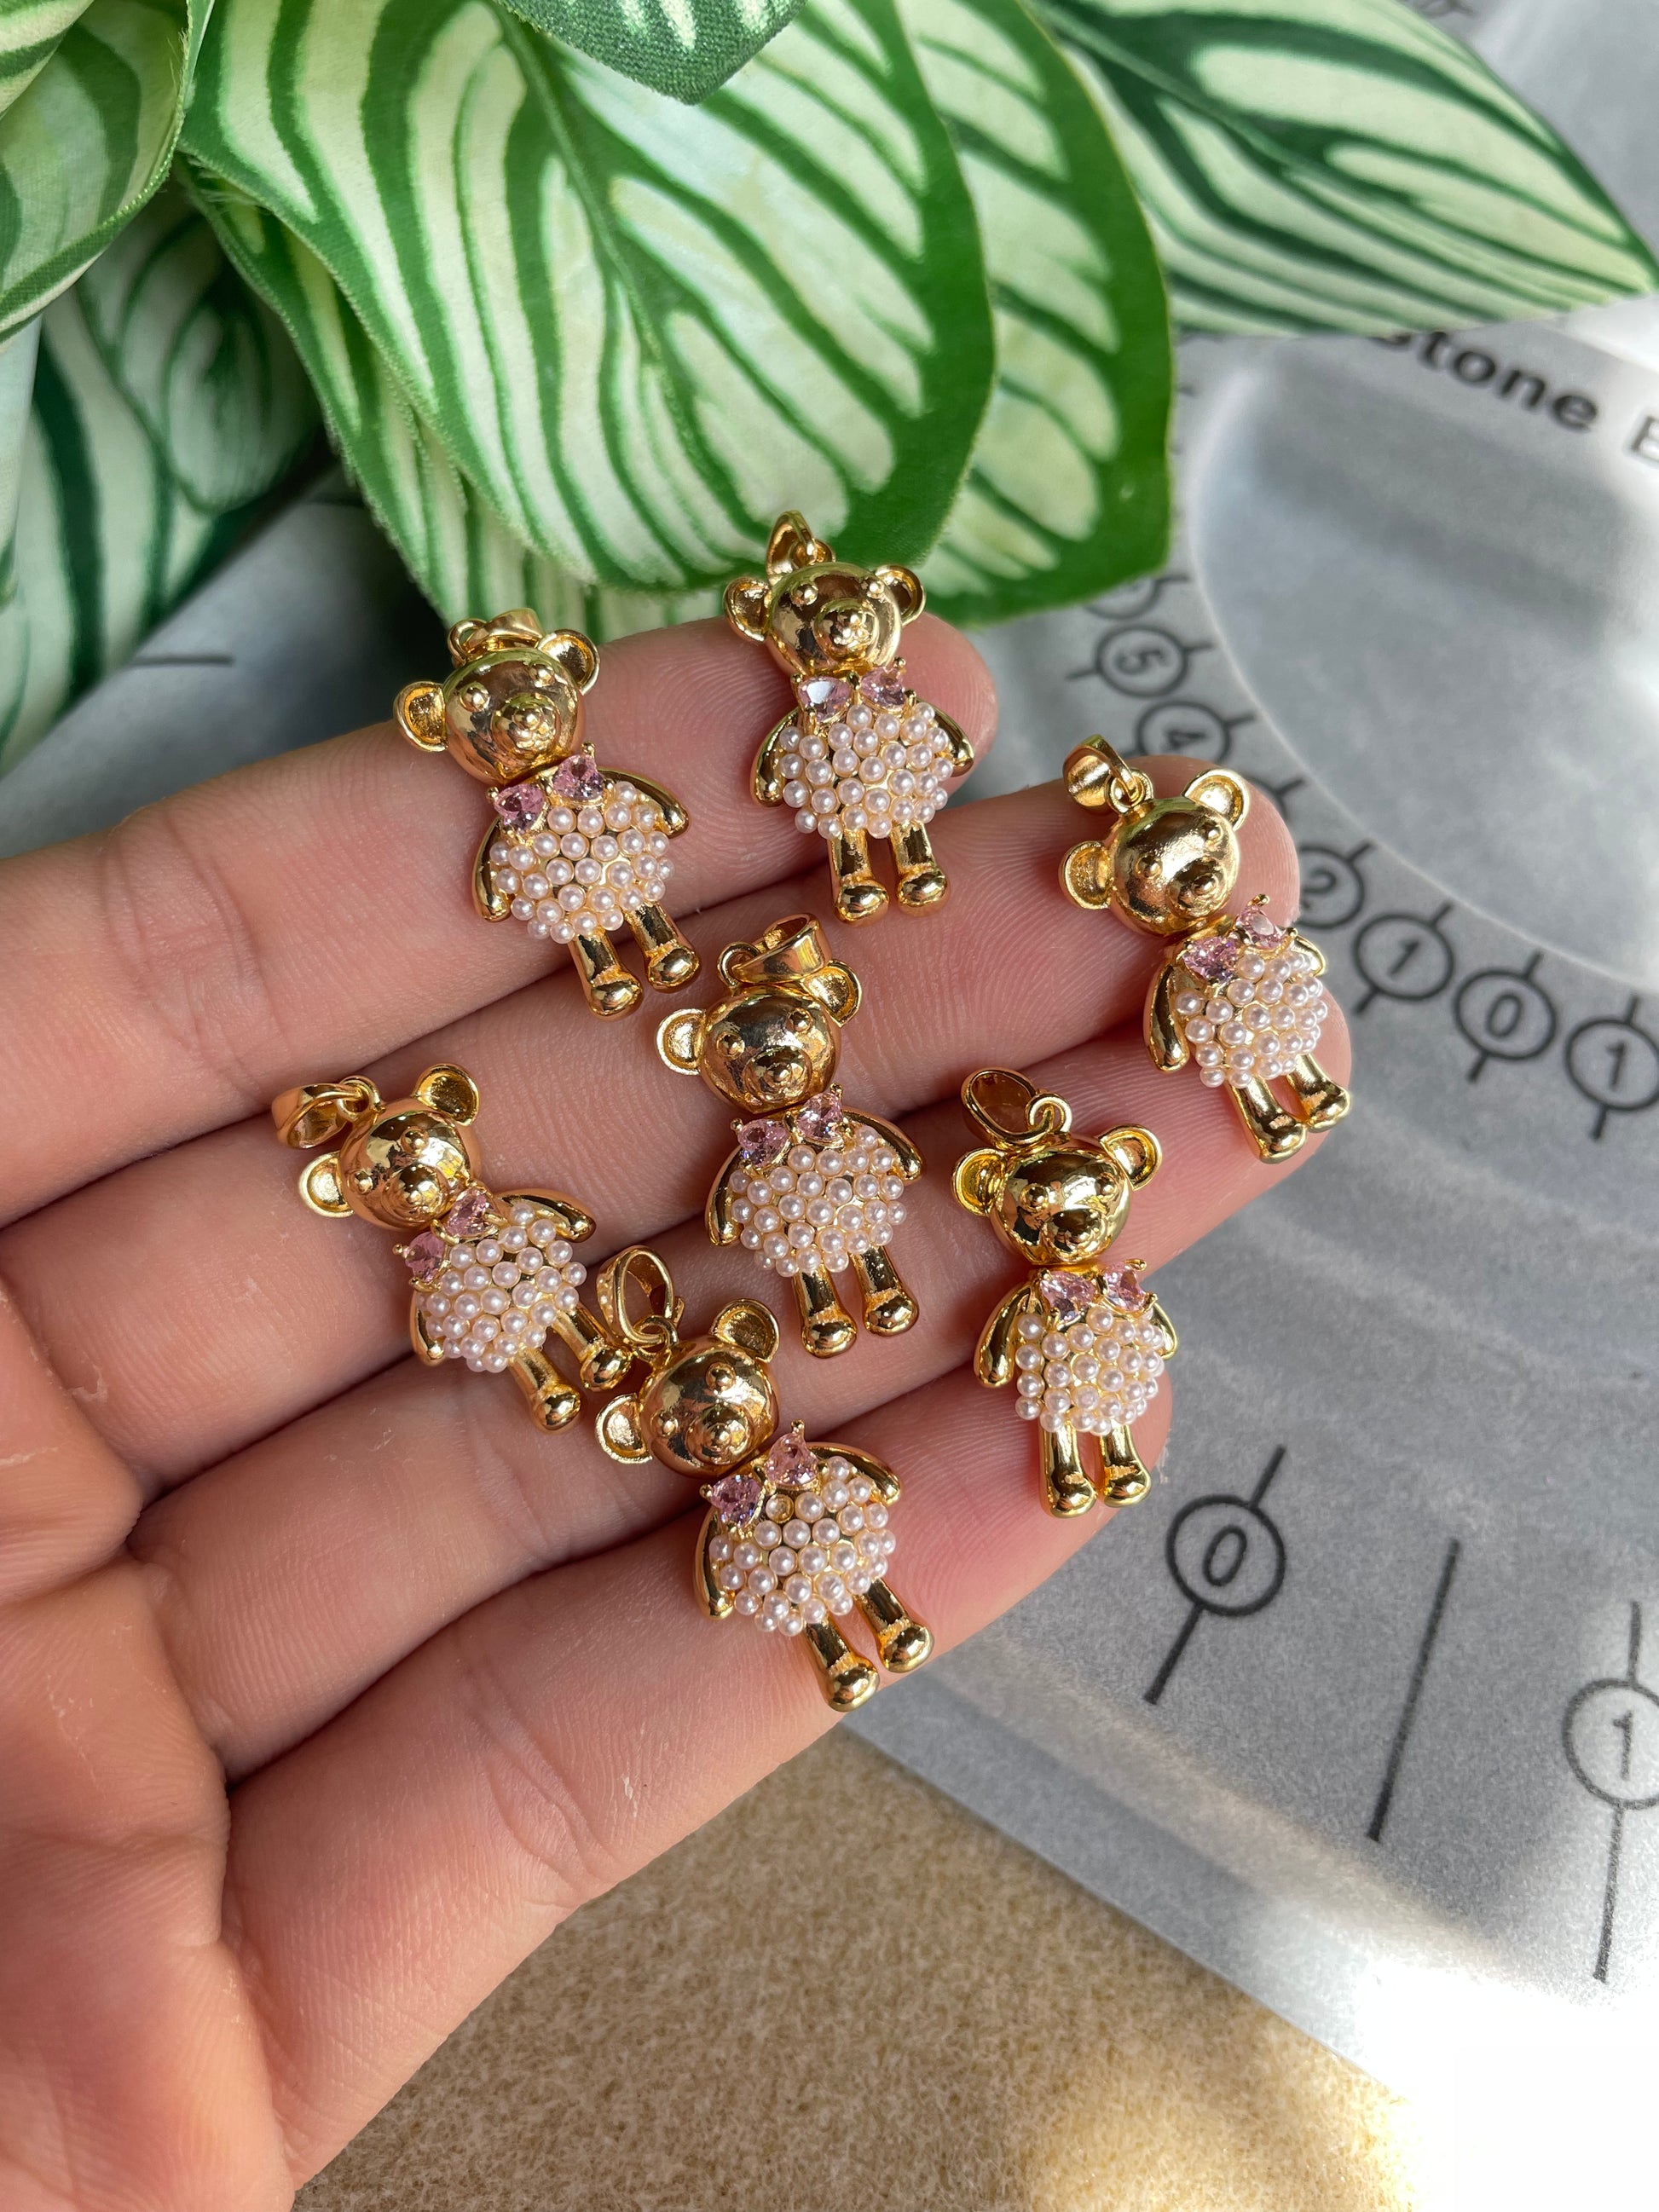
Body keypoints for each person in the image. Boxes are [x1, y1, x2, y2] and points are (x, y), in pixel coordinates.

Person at [0, 612, 1345, 2209]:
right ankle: (850, 1492)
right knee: (640, 1327)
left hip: (824, 1259)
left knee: (876, 1283)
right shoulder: (558, 1230)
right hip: (636, 1311)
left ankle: (899, 1303)